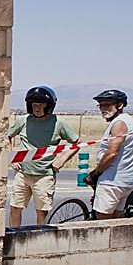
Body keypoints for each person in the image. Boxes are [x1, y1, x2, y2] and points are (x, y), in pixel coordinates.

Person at [7, 86, 79, 226]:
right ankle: (14, 238)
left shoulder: (58, 123)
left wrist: (62, 160)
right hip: (22, 174)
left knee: (41, 211)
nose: (37, 108)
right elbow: (8, 136)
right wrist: (13, 157)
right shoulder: (23, 120)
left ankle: (40, 239)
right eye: (34, 104)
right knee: (15, 208)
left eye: (41, 104)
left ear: (49, 105)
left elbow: (76, 142)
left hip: (44, 175)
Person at [83, 89, 133, 219]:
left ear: (120, 105)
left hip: (112, 182)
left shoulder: (119, 123)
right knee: (117, 220)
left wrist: (95, 174)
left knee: (102, 222)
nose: (103, 109)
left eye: (107, 105)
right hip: (126, 180)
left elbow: (111, 154)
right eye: (101, 105)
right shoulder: (130, 121)